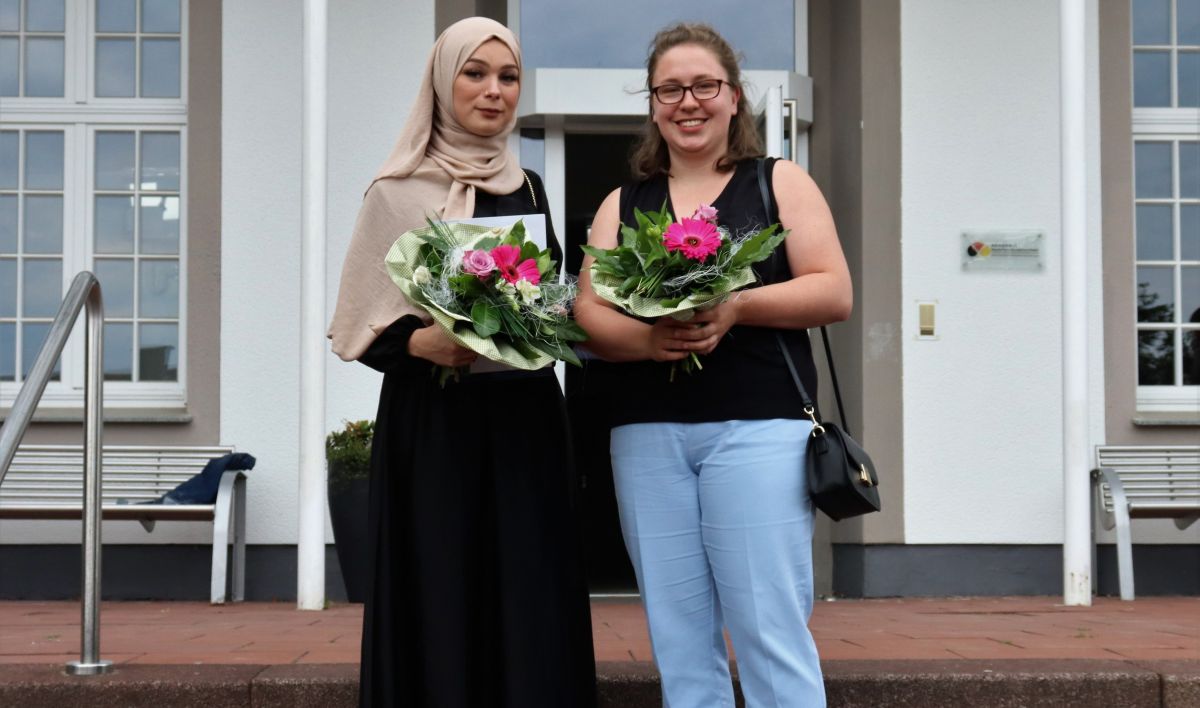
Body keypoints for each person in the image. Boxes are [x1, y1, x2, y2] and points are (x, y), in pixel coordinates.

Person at [575, 22, 852, 708]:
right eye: (670, 88)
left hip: (759, 430)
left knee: (767, 627)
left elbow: (832, 290)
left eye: (704, 85)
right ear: (653, 103)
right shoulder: (624, 203)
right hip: (647, 435)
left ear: (734, 98)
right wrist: (644, 343)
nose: (687, 102)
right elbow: (588, 312)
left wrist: (735, 304)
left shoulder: (778, 182)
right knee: (678, 636)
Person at [328, 17, 596, 708]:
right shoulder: (394, 191)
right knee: (440, 582)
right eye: (475, 74)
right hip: (435, 425)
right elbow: (362, 324)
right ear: (442, 83)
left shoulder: (529, 187)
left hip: (524, 421)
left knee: (528, 583)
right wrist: (424, 343)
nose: (493, 91)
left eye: (508, 77)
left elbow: (553, 296)